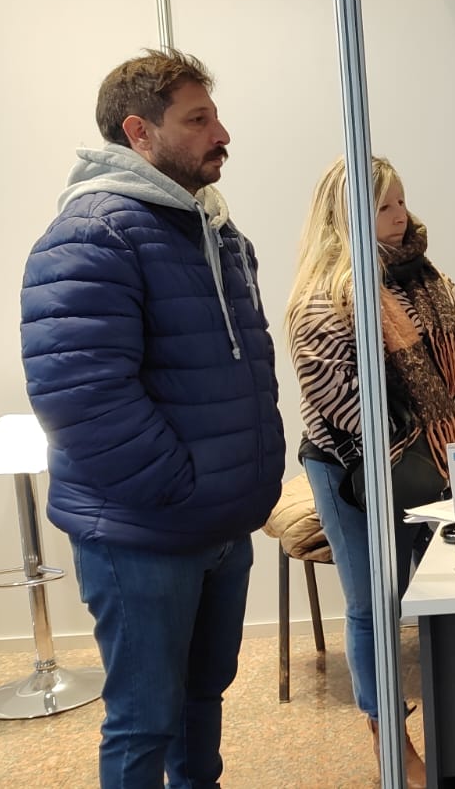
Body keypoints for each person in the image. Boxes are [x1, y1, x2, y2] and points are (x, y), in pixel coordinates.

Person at [20, 49, 284, 788]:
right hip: (145, 530)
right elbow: (81, 397)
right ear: (139, 132)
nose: (220, 134)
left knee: (201, 699)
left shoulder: (211, 230)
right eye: (197, 120)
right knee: (143, 719)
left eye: (215, 116)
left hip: (218, 524)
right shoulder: (93, 234)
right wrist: (181, 486)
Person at [287, 155, 455, 788]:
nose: (400, 215)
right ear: (346, 214)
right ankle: (389, 739)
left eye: (401, 201)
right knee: (372, 605)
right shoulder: (324, 298)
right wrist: (425, 433)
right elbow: (341, 402)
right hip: (355, 470)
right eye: (383, 205)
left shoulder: (428, 277)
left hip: (439, 461)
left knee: (437, 591)